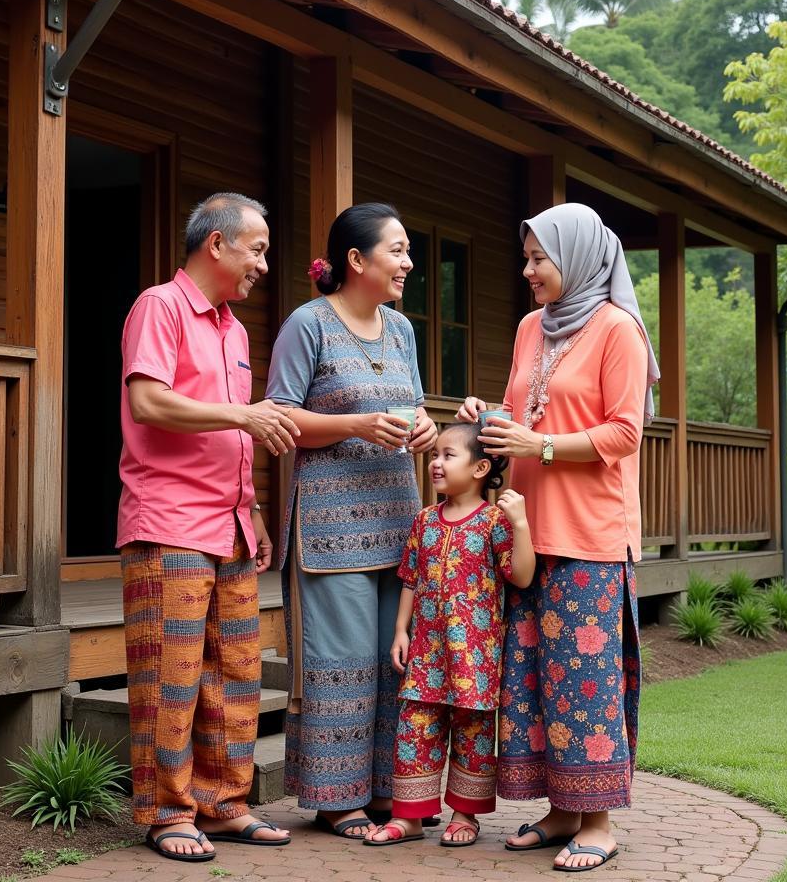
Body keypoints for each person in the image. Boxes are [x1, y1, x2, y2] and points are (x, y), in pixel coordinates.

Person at [457, 202, 659, 873]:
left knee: (586, 678)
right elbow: (523, 409)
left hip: (590, 535)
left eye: (540, 259)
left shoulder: (617, 330)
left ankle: (597, 822)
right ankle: (560, 809)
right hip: (527, 530)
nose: (528, 271)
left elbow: (624, 433)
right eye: (526, 258)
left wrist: (538, 444)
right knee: (536, 677)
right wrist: (484, 416)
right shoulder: (528, 328)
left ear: (575, 258)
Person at [117, 193, 299, 862]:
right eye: (256, 248)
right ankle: (167, 813)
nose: (262, 263)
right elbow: (148, 400)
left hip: (228, 526)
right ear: (216, 244)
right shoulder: (158, 306)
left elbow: (231, 435)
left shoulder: (232, 327)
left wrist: (250, 506)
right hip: (169, 521)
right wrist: (244, 413)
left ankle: (222, 804)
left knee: (238, 675)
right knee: (173, 677)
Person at [265, 203, 439, 840]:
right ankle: (337, 800)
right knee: (341, 665)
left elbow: (413, 405)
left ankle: (394, 794)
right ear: (355, 261)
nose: (408, 262)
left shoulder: (401, 330)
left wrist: (423, 428)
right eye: (397, 250)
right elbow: (279, 417)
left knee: (395, 665)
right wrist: (355, 425)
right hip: (330, 531)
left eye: (408, 249)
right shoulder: (306, 326)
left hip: (400, 524)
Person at [364, 422, 535, 849]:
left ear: (480, 468)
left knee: (472, 732)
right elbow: (411, 579)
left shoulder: (494, 521)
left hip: (474, 655)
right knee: (415, 728)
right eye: (435, 455)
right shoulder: (424, 520)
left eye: (447, 455)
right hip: (425, 650)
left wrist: (521, 526)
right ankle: (410, 817)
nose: (436, 463)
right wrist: (400, 630)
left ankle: (465, 815)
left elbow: (522, 575)